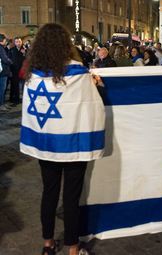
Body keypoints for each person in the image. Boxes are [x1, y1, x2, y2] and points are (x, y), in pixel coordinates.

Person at [20, 23, 105, 255]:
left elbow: (32, 108)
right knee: (71, 197)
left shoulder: (33, 75)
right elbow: (91, 104)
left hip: (46, 144)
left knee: (49, 192)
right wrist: (97, 85)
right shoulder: (79, 73)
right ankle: (73, 248)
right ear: (67, 45)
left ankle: (48, 244)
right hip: (73, 143)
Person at [8, 37, 27, 105]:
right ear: (15, 42)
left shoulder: (25, 49)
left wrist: (25, 53)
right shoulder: (11, 50)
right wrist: (10, 70)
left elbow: (28, 59)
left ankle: (24, 99)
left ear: (21, 42)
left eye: (19, 41)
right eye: (16, 42)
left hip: (23, 70)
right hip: (14, 70)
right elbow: (9, 59)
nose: (18, 43)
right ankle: (16, 99)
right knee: (15, 85)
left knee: (24, 85)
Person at [0, 34, 13, 111]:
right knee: (2, 89)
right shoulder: (1, 48)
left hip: (2, 71)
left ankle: (2, 103)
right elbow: (5, 59)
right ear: (3, 40)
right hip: (3, 72)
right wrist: (10, 61)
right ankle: (1, 104)